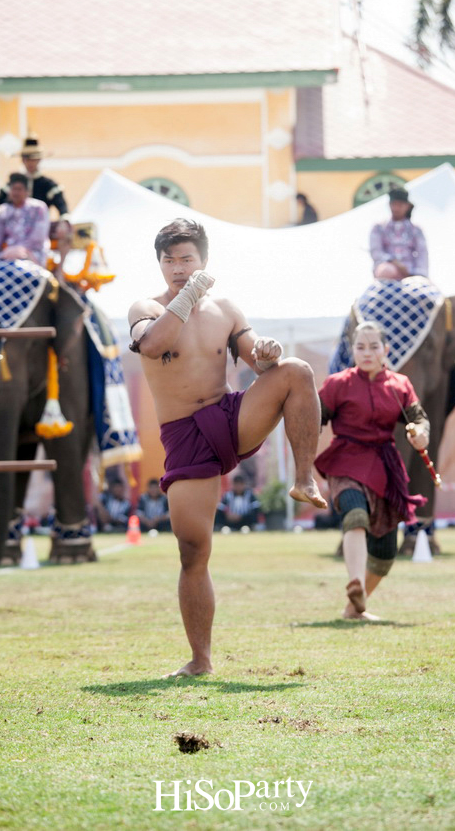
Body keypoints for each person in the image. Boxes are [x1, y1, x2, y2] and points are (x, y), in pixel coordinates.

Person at [128, 218, 326, 676]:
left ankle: (303, 478)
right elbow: (155, 345)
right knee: (193, 550)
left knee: (296, 369)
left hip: (231, 415)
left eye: (187, 259)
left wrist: (269, 352)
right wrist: (188, 295)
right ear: (160, 265)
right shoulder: (145, 306)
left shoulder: (227, 308)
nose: (178, 268)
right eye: (169, 260)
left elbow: (260, 360)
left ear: (204, 260)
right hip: (183, 433)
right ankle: (201, 660)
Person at [315, 320, 430, 620]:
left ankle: (354, 608)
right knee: (355, 513)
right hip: (345, 460)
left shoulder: (400, 384)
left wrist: (420, 434)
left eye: (374, 346)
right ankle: (354, 580)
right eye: (360, 347)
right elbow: (314, 417)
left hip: (384, 467)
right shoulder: (337, 384)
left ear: (386, 350)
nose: (367, 352)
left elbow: (419, 419)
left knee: (385, 553)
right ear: (352, 351)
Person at [0, 137, 70, 221]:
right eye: (27, 159)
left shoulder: (48, 184)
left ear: (39, 160)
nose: (30, 163)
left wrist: (64, 220)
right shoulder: (14, 184)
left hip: (41, 228)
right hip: (16, 228)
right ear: (23, 160)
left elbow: (61, 206)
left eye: (33, 159)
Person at [0, 173, 50, 265]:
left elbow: (37, 237)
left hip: (32, 255)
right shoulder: (4, 211)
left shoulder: (38, 208)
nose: (16, 193)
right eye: (13, 189)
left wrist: (20, 249)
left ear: (27, 192)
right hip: (7, 255)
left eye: (19, 189)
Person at [369, 188, 428, 279]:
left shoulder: (415, 229)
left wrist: (417, 274)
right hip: (387, 271)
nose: (396, 208)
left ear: (407, 206)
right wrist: (394, 263)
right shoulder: (379, 228)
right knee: (386, 271)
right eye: (394, 204)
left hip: (411, 272)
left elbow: (422, 254)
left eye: (400, 205)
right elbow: (376, 252)